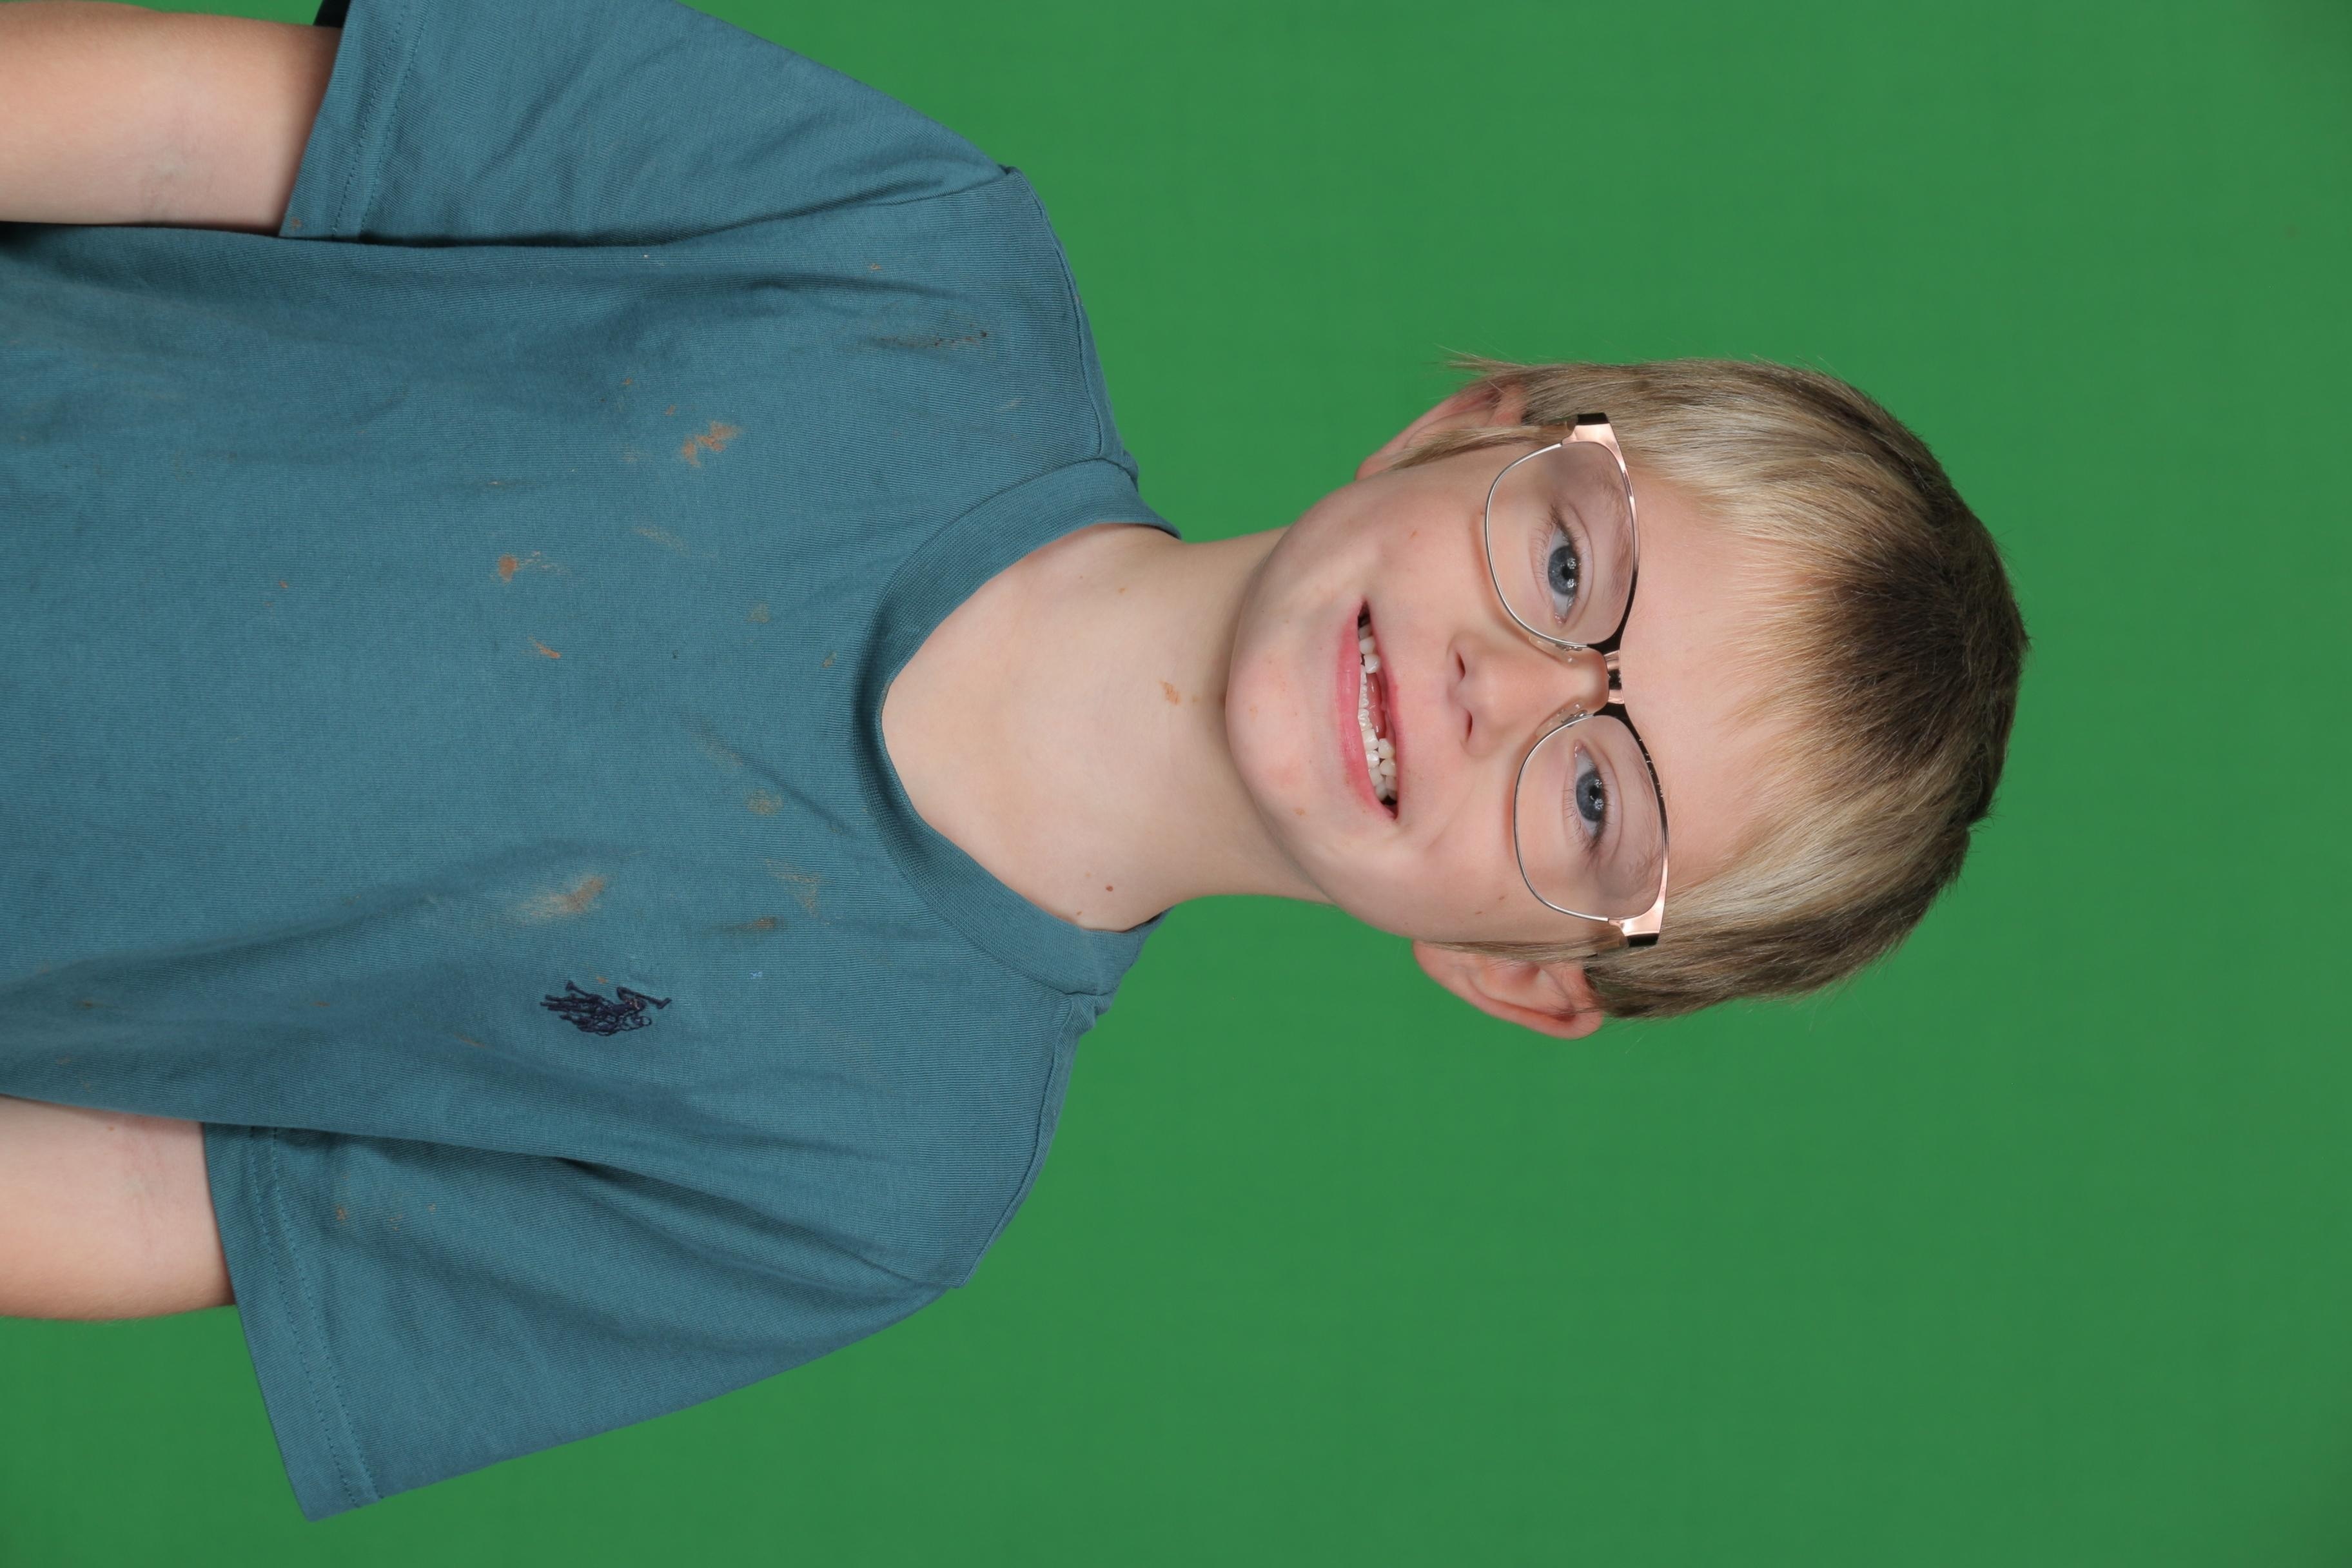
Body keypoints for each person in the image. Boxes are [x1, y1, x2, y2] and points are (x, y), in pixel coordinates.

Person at [0, 0, 2026, 1522]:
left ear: (1521, 968)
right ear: (1472, 428)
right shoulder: (906, 244)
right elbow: (188, 125)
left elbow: (175, 1200)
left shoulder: (879, 1185)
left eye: (1598, 800)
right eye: (1571, 566)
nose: (1507, 682)